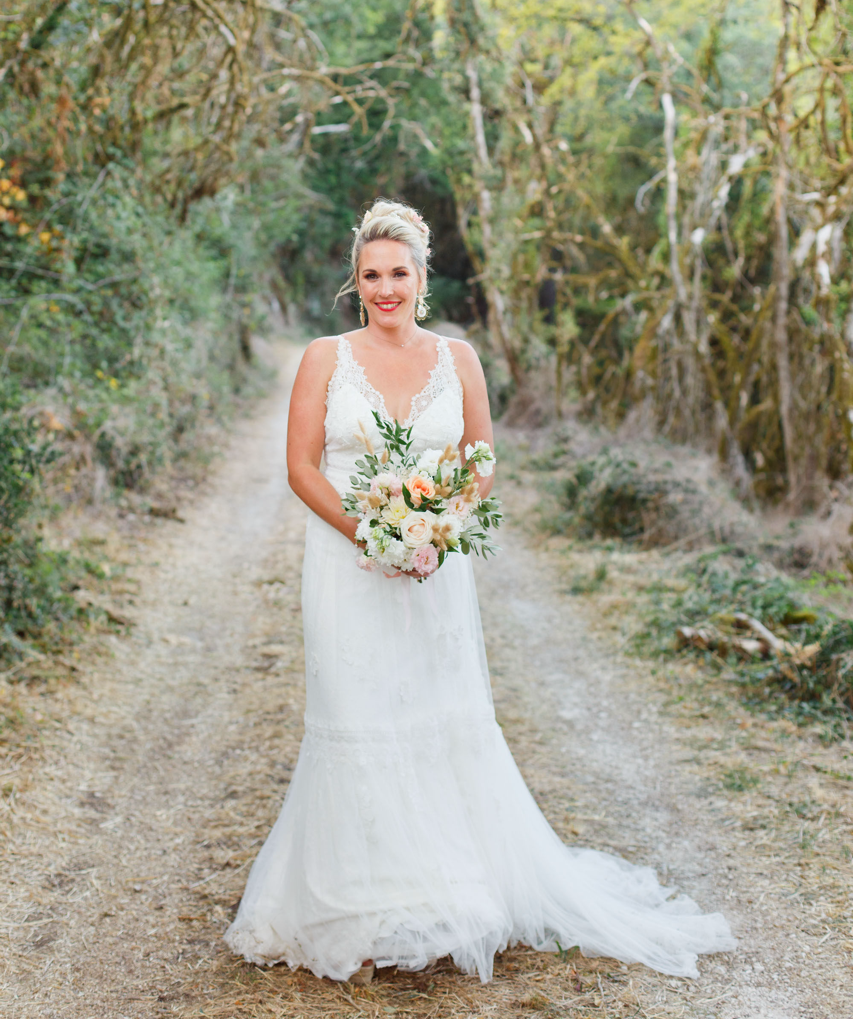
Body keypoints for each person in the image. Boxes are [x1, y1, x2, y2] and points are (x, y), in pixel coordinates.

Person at [225, 199, 735, 984]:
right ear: (354, 282)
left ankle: (443, 888)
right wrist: (370, 533)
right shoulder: (325, 357)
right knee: (356, 715)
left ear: (422, 277)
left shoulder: (457, 358)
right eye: (371, 275)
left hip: (433, 568)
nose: (385, 289)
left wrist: (434, 527)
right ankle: (355, 902)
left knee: (433, 712)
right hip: (344, 565)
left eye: (399, 273)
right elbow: (300, 467)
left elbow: (481, 459)